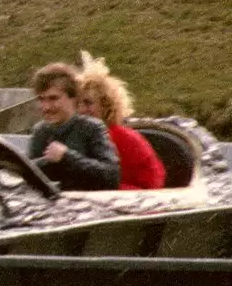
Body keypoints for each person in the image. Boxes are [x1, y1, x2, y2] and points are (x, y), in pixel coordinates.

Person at [76, 52, 166, 191]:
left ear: (106, 106)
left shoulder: (126, 138)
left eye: (88, 103)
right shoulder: (78, 135)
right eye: (77, 104)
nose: (81, 110)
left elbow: (153, 187)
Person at [26, 61, 120, 191]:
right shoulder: (40, 132)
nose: (46, 107)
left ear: (73, 98)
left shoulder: (92, 128)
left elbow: (111, 176)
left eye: (53, 99)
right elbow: (26, 175)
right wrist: (46, 162)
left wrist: (67, 157)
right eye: (41, 99)